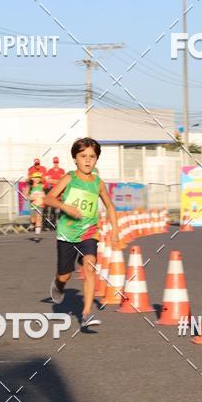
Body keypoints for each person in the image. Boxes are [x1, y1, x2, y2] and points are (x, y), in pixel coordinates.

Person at [44, 137, 118, 329]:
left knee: (89, 266)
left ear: (97, 159)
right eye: (83, 156)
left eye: (92, 157)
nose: (87, 160)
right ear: (75, 158)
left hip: (89, 232)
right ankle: (58, 284)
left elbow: (109, 205)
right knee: (65, 275)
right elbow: (49, 199)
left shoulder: (98, 183)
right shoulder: (69, 178)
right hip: (67, 233)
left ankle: (86, 314)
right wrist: (65, 207)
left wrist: (115, 230)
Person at [44, 156, 66, 229]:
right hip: (53, 191)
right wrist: (57, 181)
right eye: (54, 162)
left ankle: (58, 222)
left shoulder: (61, 170)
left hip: (60, 191)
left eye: (56, 162)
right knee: (51, 208)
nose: (55, 164)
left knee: (60, 207)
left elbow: (64, 180)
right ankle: (51, 223)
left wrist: (54, 181)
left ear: (58, 162)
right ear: (53, 163)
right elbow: (48, 180)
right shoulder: (50, 170)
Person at [26, 157, 47, 230]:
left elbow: (45, 179)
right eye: (36, 164)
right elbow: (28, 179)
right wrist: (31, 180)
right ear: (34, 164)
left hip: (41, 189)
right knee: (33, 210)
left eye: (38, 164)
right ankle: (33, 223)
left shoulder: (43, 169)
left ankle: (40, 225)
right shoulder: (31, 169)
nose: (37, 165)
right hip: (33, 190)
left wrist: (41, 179)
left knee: (40, 209)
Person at [28, 169, 46, 241]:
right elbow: (27, 196)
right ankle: (32, 225)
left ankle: (37, 235)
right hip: (33, 205)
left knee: (39, 219)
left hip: (40, 205)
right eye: (36, 177)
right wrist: (30, 198)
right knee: (33, 220)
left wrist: (42, 197)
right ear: (32, 178)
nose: (37, 179)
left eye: (39, 177)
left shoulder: (41, 186)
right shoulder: (30, 187)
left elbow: (44, 194)